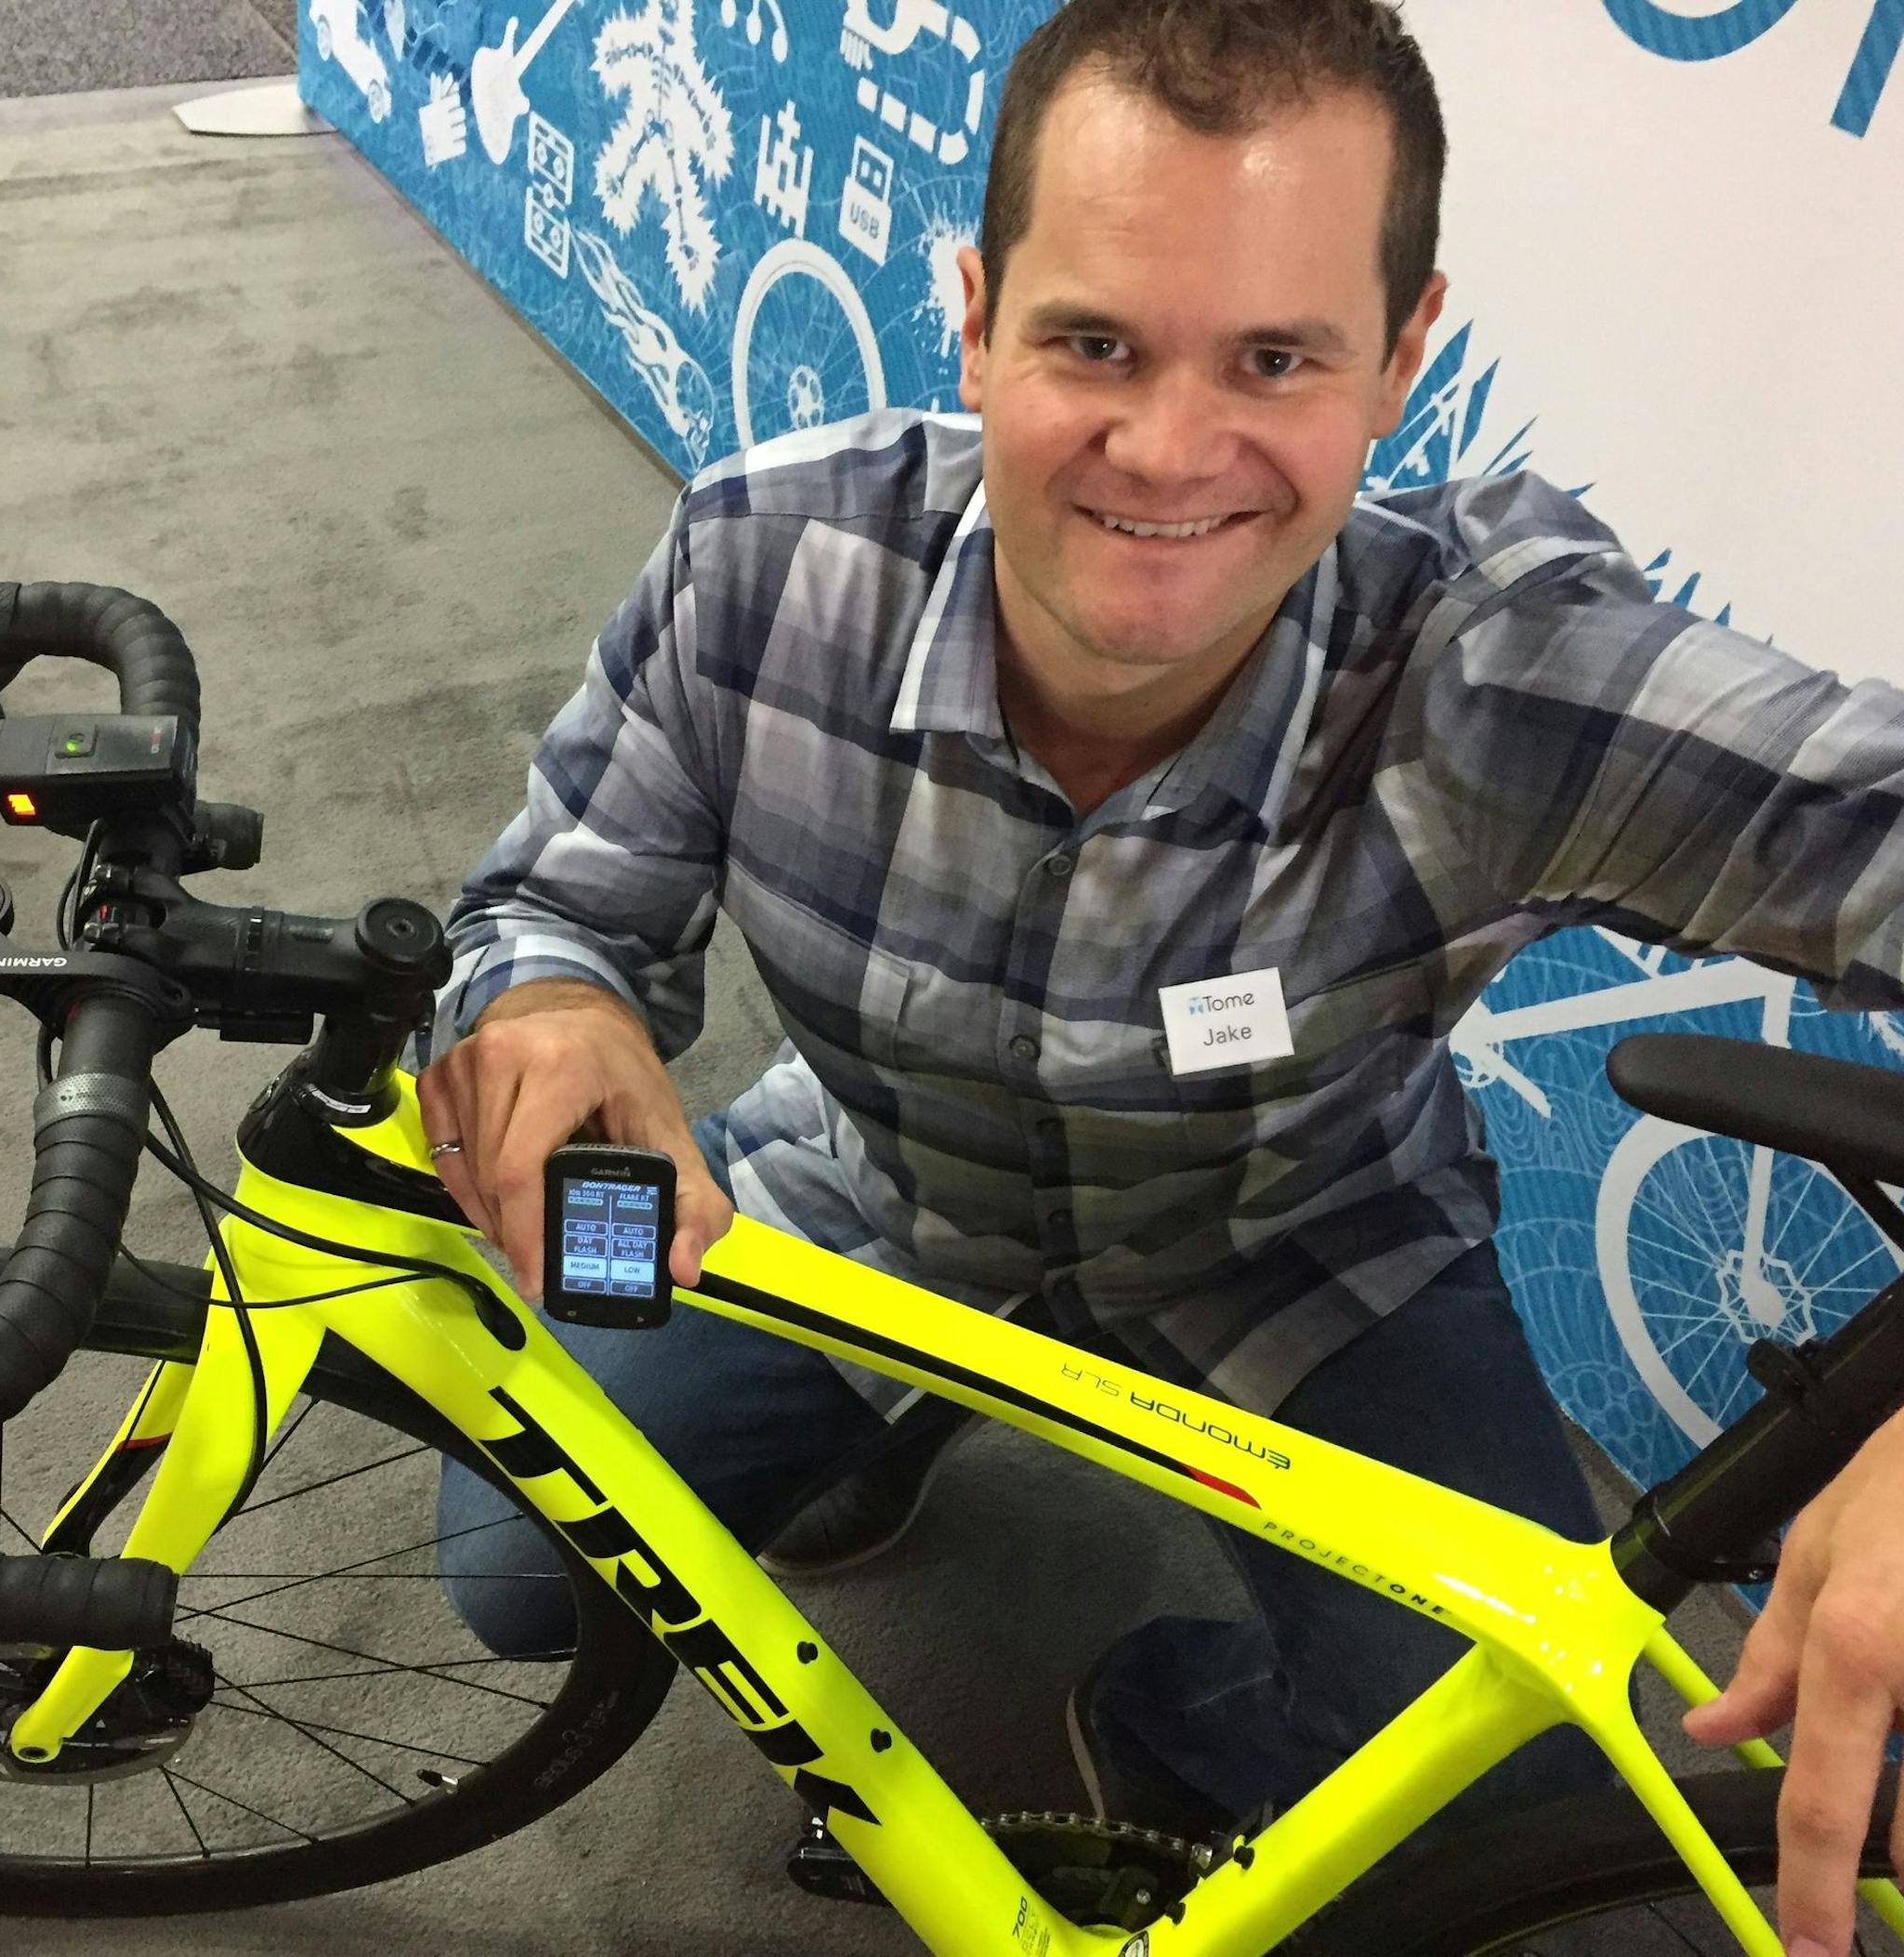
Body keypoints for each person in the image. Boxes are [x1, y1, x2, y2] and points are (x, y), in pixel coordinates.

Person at [418, 3, 1904, 1950]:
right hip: (876, 1192)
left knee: (1511, 1795)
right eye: (1093, 342)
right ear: (975, 315)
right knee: (523, 1557)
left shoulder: (1502, 682)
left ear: (1400, 360)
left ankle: (1183, 1710)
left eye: (1276, 357)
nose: (1168, 449)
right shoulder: (763, 558)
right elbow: (548, 903)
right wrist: (546, 996)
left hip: (1308, 1244)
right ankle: (856, 1435)